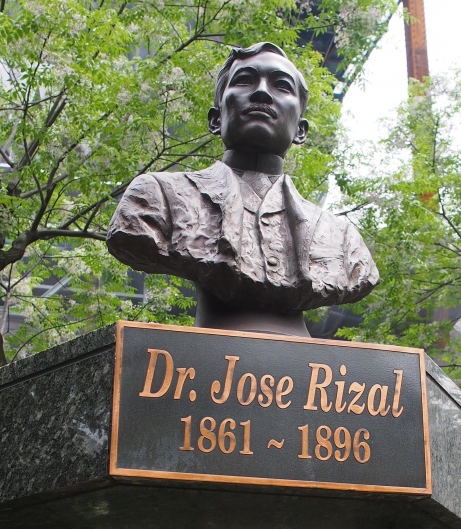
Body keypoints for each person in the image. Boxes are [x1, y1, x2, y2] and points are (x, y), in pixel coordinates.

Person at [106, 41, 379, 337]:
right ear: (215, 120)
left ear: (300, 130)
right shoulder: (157, 197)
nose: (262, 92)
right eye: (245, 80)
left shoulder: (343, 239)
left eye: (281, 86)